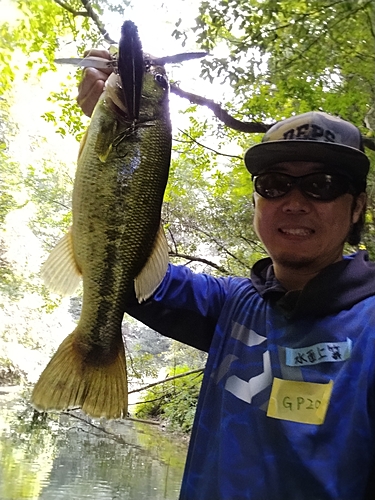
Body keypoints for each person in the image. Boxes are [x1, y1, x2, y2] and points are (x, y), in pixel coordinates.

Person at [77, 51, 375, 500]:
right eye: (274, 184)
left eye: (323, 185)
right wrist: (111, 127)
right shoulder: (233, 306)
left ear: (357, 207)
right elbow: (120, 263)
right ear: (257, 202)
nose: (294, 202)